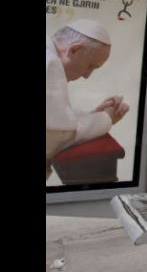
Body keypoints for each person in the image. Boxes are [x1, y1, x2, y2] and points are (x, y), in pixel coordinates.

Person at [46, 19, 130, 180]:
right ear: (74, 50)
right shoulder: (50, 64)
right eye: (90, 65)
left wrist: (91, 115)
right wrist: (106, 119)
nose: (86, 75)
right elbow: (55, 136)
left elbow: (53, 119)